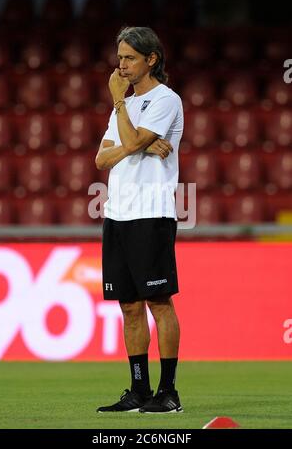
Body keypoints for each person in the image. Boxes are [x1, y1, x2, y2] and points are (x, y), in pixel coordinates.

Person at [95, 26, 184, 413]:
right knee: (129, 306)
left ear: (152, 59)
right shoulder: (127, 108)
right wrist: (139, 146)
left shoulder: (166, 100)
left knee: (158, 302)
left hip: (151, 213)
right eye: (119, 58)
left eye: (129, 57)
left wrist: (119, 105)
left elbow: (128, 143)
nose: (122, 65)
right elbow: (101, 159)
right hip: (117, 213)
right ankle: (138, 391)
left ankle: (168, 393)